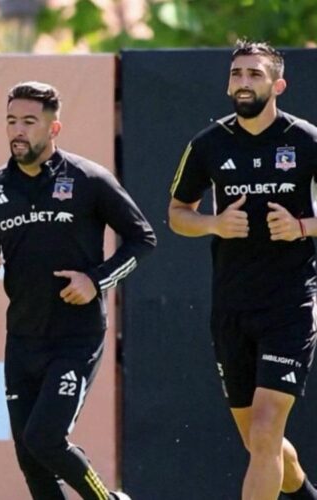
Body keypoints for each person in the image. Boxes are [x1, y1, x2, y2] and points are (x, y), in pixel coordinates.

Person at [0, 81, 155, 500]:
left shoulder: (88, 179)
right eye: (12, 121)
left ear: (54, 129)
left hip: (76, 337)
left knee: (45, 438)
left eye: (29, 122)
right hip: (21, 339)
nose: (18, 131)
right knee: (30, 458)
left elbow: (143, 239)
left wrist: (96, 280)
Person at [169, 40, 317, 500]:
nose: (244, 82)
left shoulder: (306, 140)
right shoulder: (208, 144)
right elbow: (177, 213)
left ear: (278, 84)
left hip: (290, 305)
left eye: (255, 74)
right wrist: (213, 223)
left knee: (268, 431)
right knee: (259, 442)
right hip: (232, 308)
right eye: (237, 74)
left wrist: (302, 226)